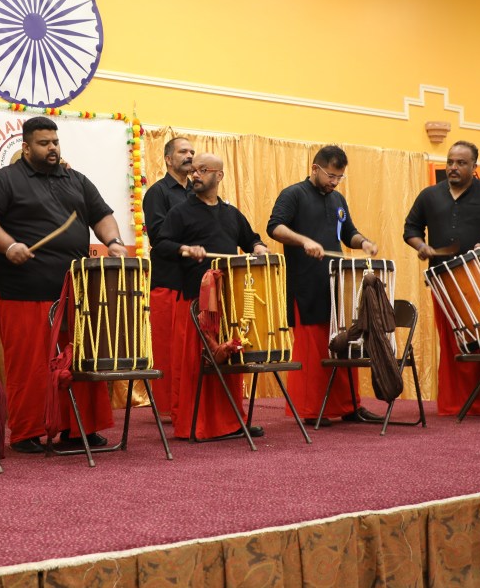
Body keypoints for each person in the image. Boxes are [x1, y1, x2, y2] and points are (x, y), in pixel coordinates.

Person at [0, 116, 128, 453]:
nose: (52, 148)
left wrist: (113, 241)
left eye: (55, 142)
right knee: (29, 364)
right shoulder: (5, 180)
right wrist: (8, 246)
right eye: (44, 143)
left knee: (79, 360)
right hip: (23, 289)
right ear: (26, 147)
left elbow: (101, 215)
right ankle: (27, 432)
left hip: (74, 289)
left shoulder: (76, 180)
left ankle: (79, 429)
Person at [403, 140, 480, 418]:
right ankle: (457, 403)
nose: (453, 167)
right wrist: (421, 245)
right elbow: (411, 228)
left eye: (460, 163)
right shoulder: (429, 196)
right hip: (444, 283)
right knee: (453, 344)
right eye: (450, 162)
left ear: (474, 166)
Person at [152, 153, 269, 440]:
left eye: (203, 170)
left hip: (228, 302)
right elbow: (161, 245)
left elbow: (250, 238)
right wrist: (184, 249)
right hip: (196, 300)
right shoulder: (180, 212)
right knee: (197, 364)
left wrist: (258, 247)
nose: (195, 175)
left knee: (228, 360)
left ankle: (232, 421)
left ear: (219, 175)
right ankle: (198, 424)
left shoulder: (231, 213)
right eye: (194, 170)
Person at [267, 145, 380, 427]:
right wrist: (304, 240)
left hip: (337, 283)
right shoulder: (293, 194)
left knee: (343, 342)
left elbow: (348, 233)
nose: (335, 182)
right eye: (331, 175)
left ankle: (349, 405)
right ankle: (311, 409)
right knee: (313, 348)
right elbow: (275, 227)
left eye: (339, 177)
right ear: (315, 168)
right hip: (307, 284)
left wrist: (364, 242)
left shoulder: (338, 198)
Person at [141, 137, 195, 421]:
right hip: (168, 282)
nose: (190, 155)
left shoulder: (197, 192)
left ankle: (189, 403)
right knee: (167, 348)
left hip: (195, 283)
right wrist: (189, 246)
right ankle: (166, 408)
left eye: (192, 151)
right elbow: (159, 236)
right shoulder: (157, 193)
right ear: (168, 159)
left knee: (191, 350)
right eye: (183, 151)